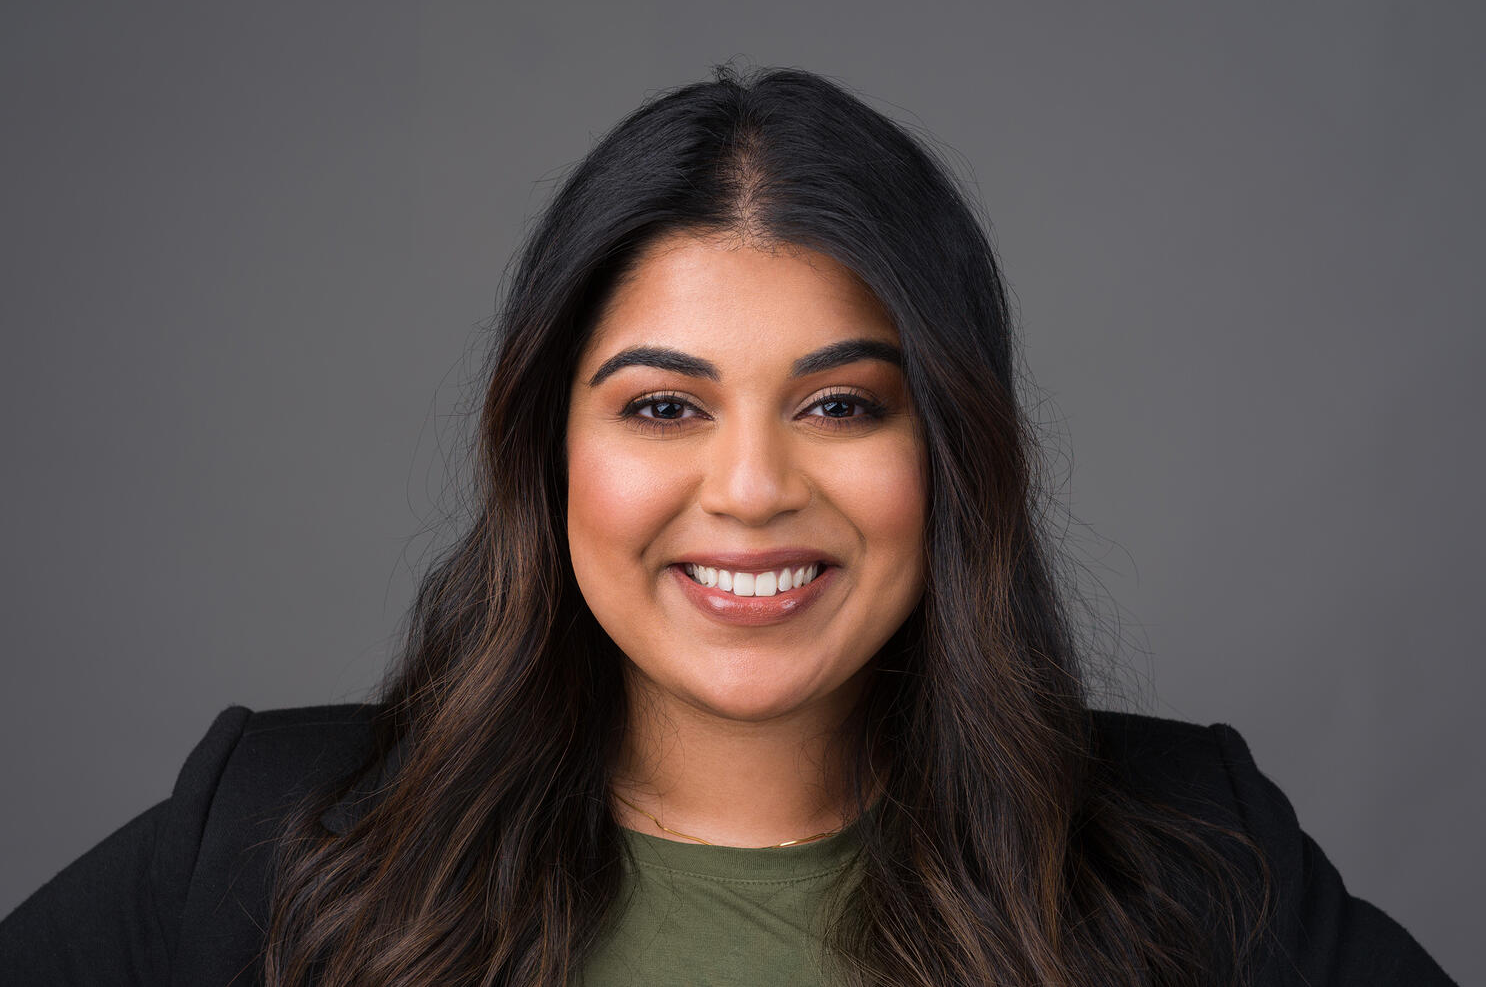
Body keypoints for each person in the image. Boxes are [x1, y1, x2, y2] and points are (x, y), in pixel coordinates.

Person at [0, 65, 1456, 987]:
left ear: (951, 455)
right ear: (544, 451)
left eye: (839, 407)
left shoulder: (1199, 863)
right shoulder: (266, 845)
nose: (751, 486)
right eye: (661, 408)